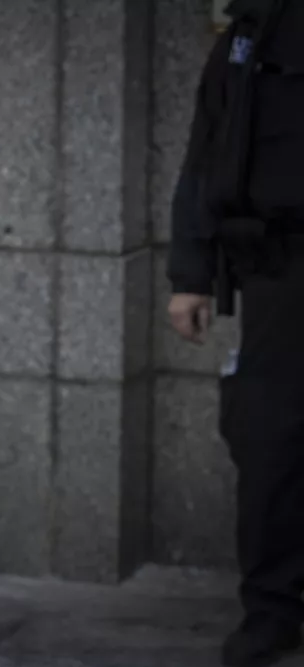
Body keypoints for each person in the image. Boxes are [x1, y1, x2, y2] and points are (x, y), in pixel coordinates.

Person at [167, 2, 304, 666]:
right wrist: (191, 275)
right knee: (271, 442)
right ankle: (273, 610)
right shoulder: (253, 33)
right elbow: (207, 155)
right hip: (279, 272)